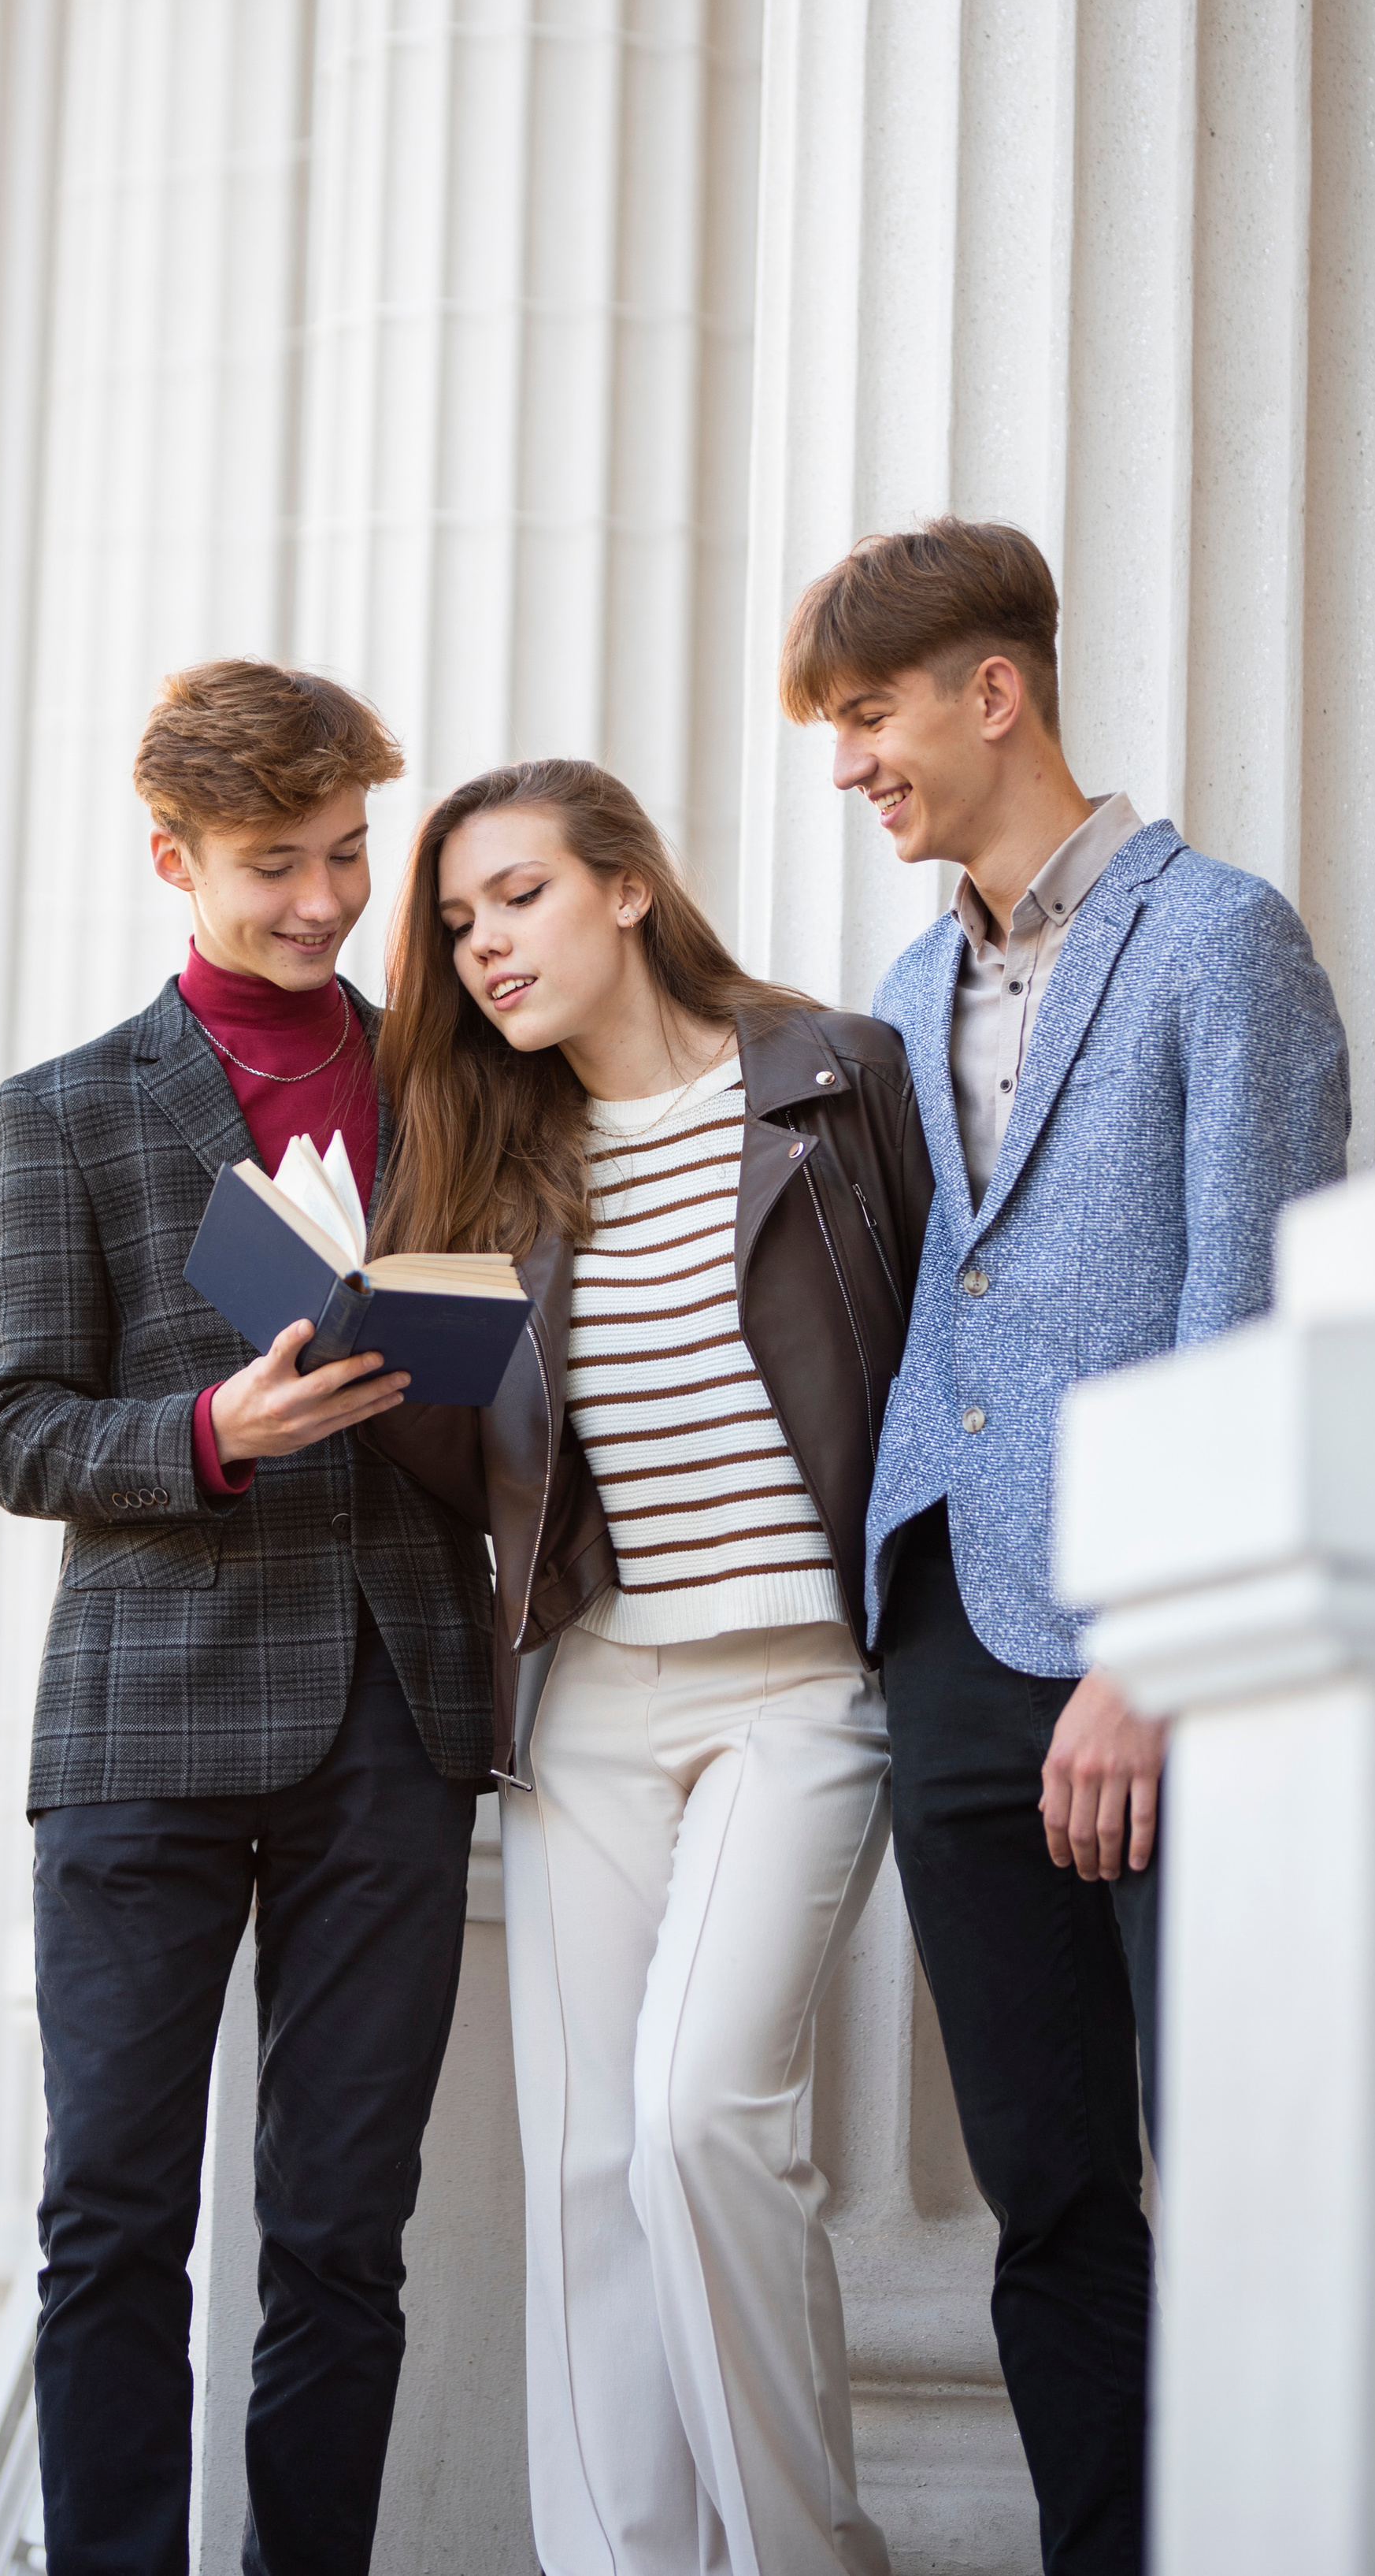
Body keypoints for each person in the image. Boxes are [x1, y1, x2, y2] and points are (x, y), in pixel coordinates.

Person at [779, 518, 1351, 2576]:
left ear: (990, 690)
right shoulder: (906, 983)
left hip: (1147, 1652)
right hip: (943, 1626)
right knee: (1042, 2187)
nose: (848, 764)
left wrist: (1155, 1651)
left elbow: (1254, 1313)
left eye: (868, 716)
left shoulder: (1223, 942)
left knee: (1237, 2157)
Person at [365, 758, 932, 2576]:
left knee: (699, 2119)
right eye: (456, 925)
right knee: (590, 2178)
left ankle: (802, 2554)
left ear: (624, 886)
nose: (482, 948)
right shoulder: (500, 1172)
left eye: (516, 896)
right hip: (594, 1695)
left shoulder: (834, 1079)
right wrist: (367, 1363)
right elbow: (489, 1479)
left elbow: (935, 1342)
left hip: (802, 1681)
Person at [0, 660, 494, 2576]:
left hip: (395, 1710)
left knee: (343, 2232)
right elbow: (14, 1425)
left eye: (350, 853)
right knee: (111, 2215)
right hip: (140, 1729)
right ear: (174, 859)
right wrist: (209, 1428)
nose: (326, 901)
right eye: (279, 863)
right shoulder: (67, 1113)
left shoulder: (452, 1073)